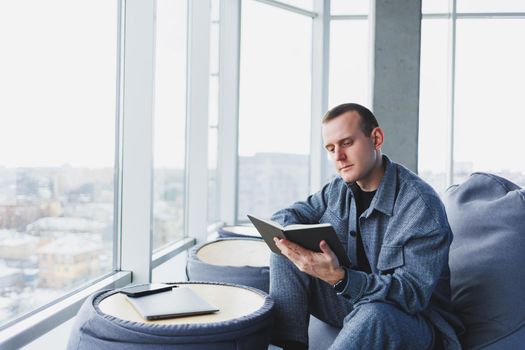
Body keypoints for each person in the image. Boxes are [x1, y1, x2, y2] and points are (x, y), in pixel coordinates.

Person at [269, 103, 464, 350]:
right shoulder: (337, 189)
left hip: (411, 320)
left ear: (376, 138)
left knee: (374, 314)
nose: (338, 157)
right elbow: (287, 215)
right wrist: (299, 244)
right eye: (331, 148)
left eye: (347, 143)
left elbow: (411, 296)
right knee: (285, 252)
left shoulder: (420, 205)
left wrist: (340, 277)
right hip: (354, 301)